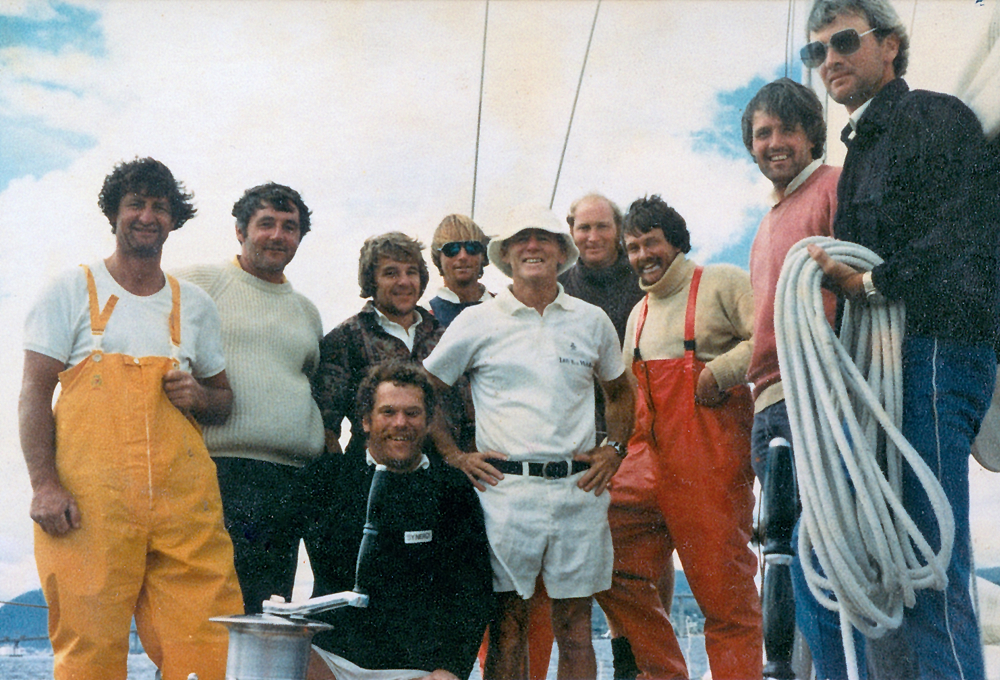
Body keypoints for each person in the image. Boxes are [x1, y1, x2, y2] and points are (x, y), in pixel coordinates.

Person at [802, 1, 999, 678]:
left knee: (927, 560)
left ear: (890, 46)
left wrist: (872, 283)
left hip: (937, 352)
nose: (829, 59)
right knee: (858, 553)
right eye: (817, 51)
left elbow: (968, 230)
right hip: (885, 368)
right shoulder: (860, 149)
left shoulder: (933, 118)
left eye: (844, 41)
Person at [18, 157, 243, 680]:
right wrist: (44, 485)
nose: (147, 216)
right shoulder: (70, 290)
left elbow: (223, 400)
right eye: (136, 204)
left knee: (209, 646)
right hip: (87, 508)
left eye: (160, 207)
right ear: (113, 213)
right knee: (89, 650)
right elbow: (33, 392)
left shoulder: (196, 305)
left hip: (185, 508)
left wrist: (199, 396)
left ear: (174, 219)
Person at [424, 203, 635, 680]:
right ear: (506, 255)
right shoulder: (479, 320)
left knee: (576, 629)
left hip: (579, 492)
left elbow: (620, 391)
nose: (533, 246)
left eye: (543, 238)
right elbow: (425, 388)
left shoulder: (592, 320)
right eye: (521, 239)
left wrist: (615, 449)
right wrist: (454, 455)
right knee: (508, 627)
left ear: (562, 252)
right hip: (505, 495)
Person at [595, 195, 761, 680]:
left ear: (676, 242)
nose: (642, 256)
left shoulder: (722, 282)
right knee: (599, 551)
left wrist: (719, 373)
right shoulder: (638, 313)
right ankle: (665, 673)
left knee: (726, 601)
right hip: (646, 461)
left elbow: (769, 337)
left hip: (709, 468)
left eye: (651, 243)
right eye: (632, 248)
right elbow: (628, 395)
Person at [174, 182, 325, 614]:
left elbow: (310, 382)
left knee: (267, 610)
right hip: (222, 473)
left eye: (289, 227)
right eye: (266, 224)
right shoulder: (201, 282)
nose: (278, 235)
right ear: (240, 231)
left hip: (292, 481)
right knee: (215, 607)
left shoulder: (306, 310)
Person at [306, 360, 493, 680]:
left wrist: (451, 668)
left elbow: (472, 589)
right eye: (388, 412)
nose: (401, 423)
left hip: (413, 666)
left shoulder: (451, 489)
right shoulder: (330, 478)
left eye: (412, 413)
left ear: (429, 421)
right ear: (366, 420)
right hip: (331, 658)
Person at [306, 232, 463, 597]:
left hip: (439, 486)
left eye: (411, 272)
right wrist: (346, 490)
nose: (403, 281)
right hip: (374, 488)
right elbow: (327, 426)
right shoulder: (346, 337)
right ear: (371, 281)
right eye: (391, 272)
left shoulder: (446, 336)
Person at [560, 192, 654, 678]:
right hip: (582, 440)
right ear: (571, 232)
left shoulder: (644, 279)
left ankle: (642, 656)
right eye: (583, 228)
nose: (592, 237)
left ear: (619, 231)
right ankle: (622, 653)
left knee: (644, 554)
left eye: (602, 227)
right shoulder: (559, 288)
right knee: (593, 557)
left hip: (643, 432)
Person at [741, 78, 841, 482]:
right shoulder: (763, 227)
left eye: (788, 129)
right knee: (785, 524)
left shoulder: (836, 186)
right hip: (767, 401)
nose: (775, 142)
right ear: (751, 146)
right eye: (763, 133)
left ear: (812, 136)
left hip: (820, 393)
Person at [428, 214, 493, 326]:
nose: (463, 256)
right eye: (452, 249)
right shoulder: (424, 317)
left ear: (483, 255)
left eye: (472, 247)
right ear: (438, 258)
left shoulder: (506, 308)